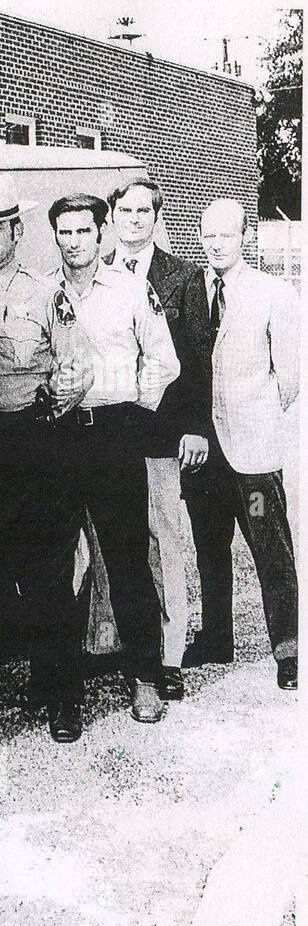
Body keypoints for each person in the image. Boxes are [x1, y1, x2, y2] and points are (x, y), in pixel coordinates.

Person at [0, 173, 94, 742]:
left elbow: (77, 363)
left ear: (15, 230)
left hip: (32, 444)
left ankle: (62, 698)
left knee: (47, 575)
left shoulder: (43, 291)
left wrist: (49, 411)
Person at [48, 194, 180, 724]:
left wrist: (134, 410)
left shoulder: (129, 290)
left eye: (84, 231)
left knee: (127, 560)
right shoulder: (45, 293)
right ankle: (63, 693)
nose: (74, 241)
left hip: (114, 435)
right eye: (65, 232)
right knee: (59, 564)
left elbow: (164, 361)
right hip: (59, 438)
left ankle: (145, 677)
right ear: (54, 235)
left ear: (101, 233)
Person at [183, 197, 298, 690]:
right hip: (206, 454)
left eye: (225, 236)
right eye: (208, 236)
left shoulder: (272, 293)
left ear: (245, 236)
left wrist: (258, 421)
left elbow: (290, 377)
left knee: (269, 549)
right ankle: (216, 637)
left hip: (252, 454)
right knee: (210, 547)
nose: (215, 245)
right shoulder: (192, 290)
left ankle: (289, 650)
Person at [105, 178, 213, 701]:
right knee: (113, 546)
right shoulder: (95, 272)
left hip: (161, 434)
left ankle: (170, 655)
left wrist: (194, 426)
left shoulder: (183, 277)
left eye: (144, 211)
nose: (134, 219)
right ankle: (114, 646)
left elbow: (194, 359)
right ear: (113, 216)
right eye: (125, 210)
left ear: (156, 216)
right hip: (108, 436)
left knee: (166, 541)